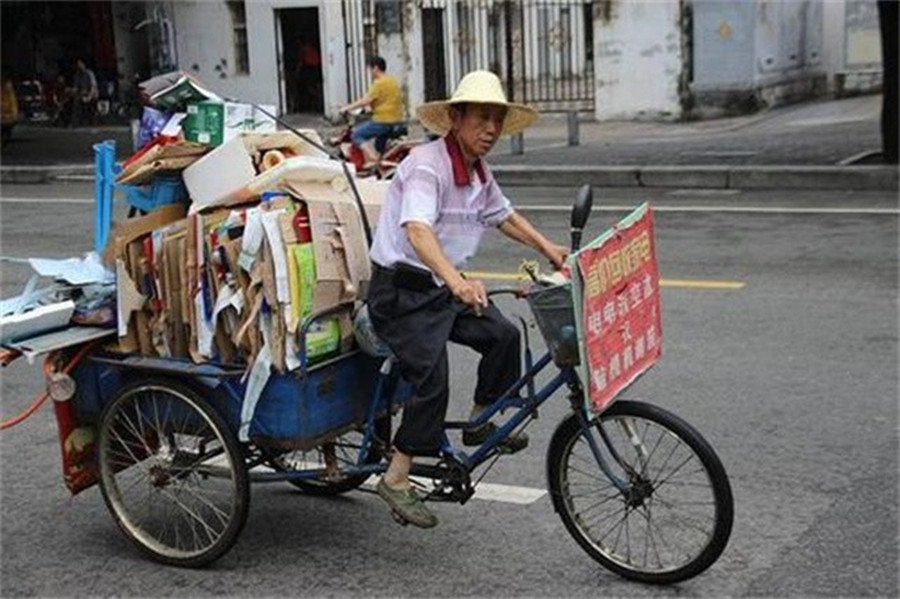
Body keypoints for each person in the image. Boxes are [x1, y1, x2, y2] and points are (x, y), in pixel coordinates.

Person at [366, 70, 568, 528]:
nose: (491, 129)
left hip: (442, 288)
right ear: (455, 119)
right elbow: (416, 231)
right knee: (431, 377)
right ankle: (396, 478)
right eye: (481, 118)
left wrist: (548, 248)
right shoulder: (426, 165)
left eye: (496, 120)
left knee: (502, 334)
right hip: (402, 293)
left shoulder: (478, 172)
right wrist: (455, 280)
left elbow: (504, 216)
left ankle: (481, 418)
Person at [339, 56, 404, 167]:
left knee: (356, 135)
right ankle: (379, 161)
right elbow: (384, 100)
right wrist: (369, 108)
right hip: (396, 119)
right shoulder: (392, 81)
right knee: (379, 145)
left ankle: (373, 160)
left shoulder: (379, 83)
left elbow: (365, 100)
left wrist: (346, 108)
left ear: (375, 68)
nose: (370, 72)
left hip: (383, 120)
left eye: (370, 69)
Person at [71, 59, 98, 126]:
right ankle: (76, 121)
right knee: (75, 100)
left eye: (80, 64)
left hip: (91, 93)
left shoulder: (89, 73)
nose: (79, 66)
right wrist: (71, 90)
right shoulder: (77, 75)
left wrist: (89, 97)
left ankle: (89, 120)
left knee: (85, 102)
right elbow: (76, 87)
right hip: (82, 93)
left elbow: (93, 87)